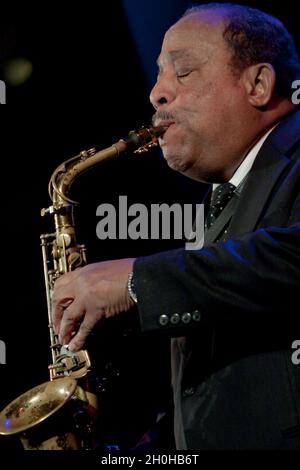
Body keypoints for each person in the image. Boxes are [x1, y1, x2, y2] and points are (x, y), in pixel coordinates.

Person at [52, 3, 300, 449]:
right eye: (159, 74)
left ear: (258, 84)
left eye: (182, 72)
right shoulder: (218, 203)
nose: (156, 94)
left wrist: (134, 282)